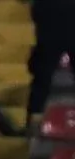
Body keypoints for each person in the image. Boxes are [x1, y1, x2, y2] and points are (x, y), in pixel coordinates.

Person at [26, 0, 75, 129]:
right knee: (41, 80)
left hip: (49, 16)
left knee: (41, 81)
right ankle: (33, 122)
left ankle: (33, 124)